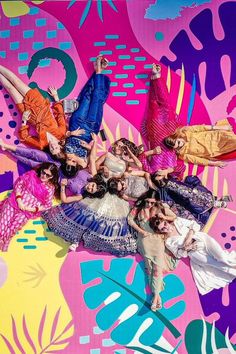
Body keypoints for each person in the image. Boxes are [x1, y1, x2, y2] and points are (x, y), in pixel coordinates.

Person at [42, 136, 137, 255]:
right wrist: (103, 167)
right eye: (117, 144)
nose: (118, 147)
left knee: (106, 218)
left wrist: (128, 155)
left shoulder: (126, 163)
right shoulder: (107, 155)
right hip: (100, 185)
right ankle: (75, 239)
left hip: (113, 190)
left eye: (121, 146)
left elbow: (137, 166)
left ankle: (97, 240)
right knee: (86, 213)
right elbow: (94, 164)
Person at [151, 216, 236, 295]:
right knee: (217, 264)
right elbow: (178, 254)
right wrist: (185, 248)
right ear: (160, 231)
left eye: (165, 224)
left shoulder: (178, 221)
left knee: (222, 257)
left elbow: (194, 224)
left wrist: (189, 236)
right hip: (193, 252)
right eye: (163, 229)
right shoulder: (168, 242)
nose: (166, 227)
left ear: (166, 221)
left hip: (202, 240)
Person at [0, 65, 66, 158]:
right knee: (16, 81)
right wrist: (56, 97)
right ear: (60, 146)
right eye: (56, 148)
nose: (53, 147)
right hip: (40, 104)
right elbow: (60, 115)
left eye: (52, 150)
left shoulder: (41, 145)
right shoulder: (61, 132)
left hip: (28, 114)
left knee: (10, 88)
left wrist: (24, 121)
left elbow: (24, 138)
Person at [128, 191, 178, 310]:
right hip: (145, 241)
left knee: (157, 268)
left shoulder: (162, 207)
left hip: (158, 240)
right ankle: (157, 296)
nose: (149, 204)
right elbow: (130, 220)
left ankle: (155, 297)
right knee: (150, 269)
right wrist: (140, 231)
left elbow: (174, 217)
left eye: (152, 202)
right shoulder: (138, 208)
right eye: (148, 201)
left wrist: (164, 217)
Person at [63, 55, 111, 175]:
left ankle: (98, 71)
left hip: (76, 126)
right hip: (90, 130)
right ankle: (99, 70)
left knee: (87, 96)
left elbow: (61, 139)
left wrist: (70, 134)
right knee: (97, 100)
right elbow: (94, 155)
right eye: (72, 162)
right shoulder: (84, 164)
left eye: (68, 161)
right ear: (76, 166)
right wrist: (93, 144)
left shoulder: (62, 155)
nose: (71, 159)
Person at [139, 64, 185, 178]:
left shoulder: (151, 171)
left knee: (153, 105)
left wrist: (153, 152)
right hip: (170, 134)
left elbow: (141, 157)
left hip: (156, 134)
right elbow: (182, 167)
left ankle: (154, 78)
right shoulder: (174, 173)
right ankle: (158, 77)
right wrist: (168, 171)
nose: (160, 177)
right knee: (167, 105)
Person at [0, 163, 59, 251]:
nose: (44, 176)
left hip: (27, 211)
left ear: (52, 177)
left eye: (48, 175)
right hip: (14, 202)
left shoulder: (50, 188)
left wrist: (31, 209)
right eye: (43, 172)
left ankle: (5, 240)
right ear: (41, 170)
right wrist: (19, 200)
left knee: (12, 228)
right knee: (2, 225)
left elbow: (47, 205)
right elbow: (18, 185)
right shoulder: (31, 175)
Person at [150, 172, 230, 227]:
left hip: (192, 197)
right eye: (158, 180)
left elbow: (191, 183)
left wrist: (165, 175)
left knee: (191, 193)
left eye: (159, 178)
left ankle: (214, 202)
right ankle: (214, 202)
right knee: (191, 197)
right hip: (191, 210)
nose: (159, 180)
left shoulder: (173, 176)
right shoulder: (161, 194)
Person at [164, 120, 236, 167]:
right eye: (178, 146)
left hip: (215, 135)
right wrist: (215, 163)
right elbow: (197, 160)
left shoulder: (186, 131)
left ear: (177, 137)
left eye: (179, 142)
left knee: (230, 137)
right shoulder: (182, 155)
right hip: (214, 149)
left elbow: (202, 128)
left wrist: (222, 127)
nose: (181, 144)